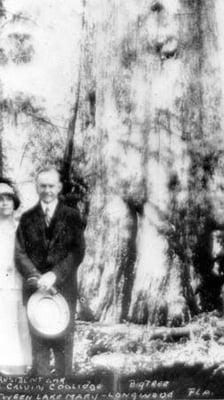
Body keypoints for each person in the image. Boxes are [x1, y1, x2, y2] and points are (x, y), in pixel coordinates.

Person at [15, 167, 85, 376]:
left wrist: (55, 274)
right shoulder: (27, 218)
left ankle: (65, 381)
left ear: (59, 187)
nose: (47, 190)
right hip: (35, 292)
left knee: (63, 343)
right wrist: (36, 276)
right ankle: (41, 379)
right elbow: (19, 254)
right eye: (43, 186)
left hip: (63, 289)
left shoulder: (72, 217)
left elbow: (77, 252)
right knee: (39, 343)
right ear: (37, 187)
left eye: (51, 186)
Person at [0, 179, 32, 375]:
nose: (4, 203)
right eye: (0, 199)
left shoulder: (21, 228)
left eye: (8, 199)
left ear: (15, 202)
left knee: (19, 322)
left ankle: (21, 363)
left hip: (19, 281)